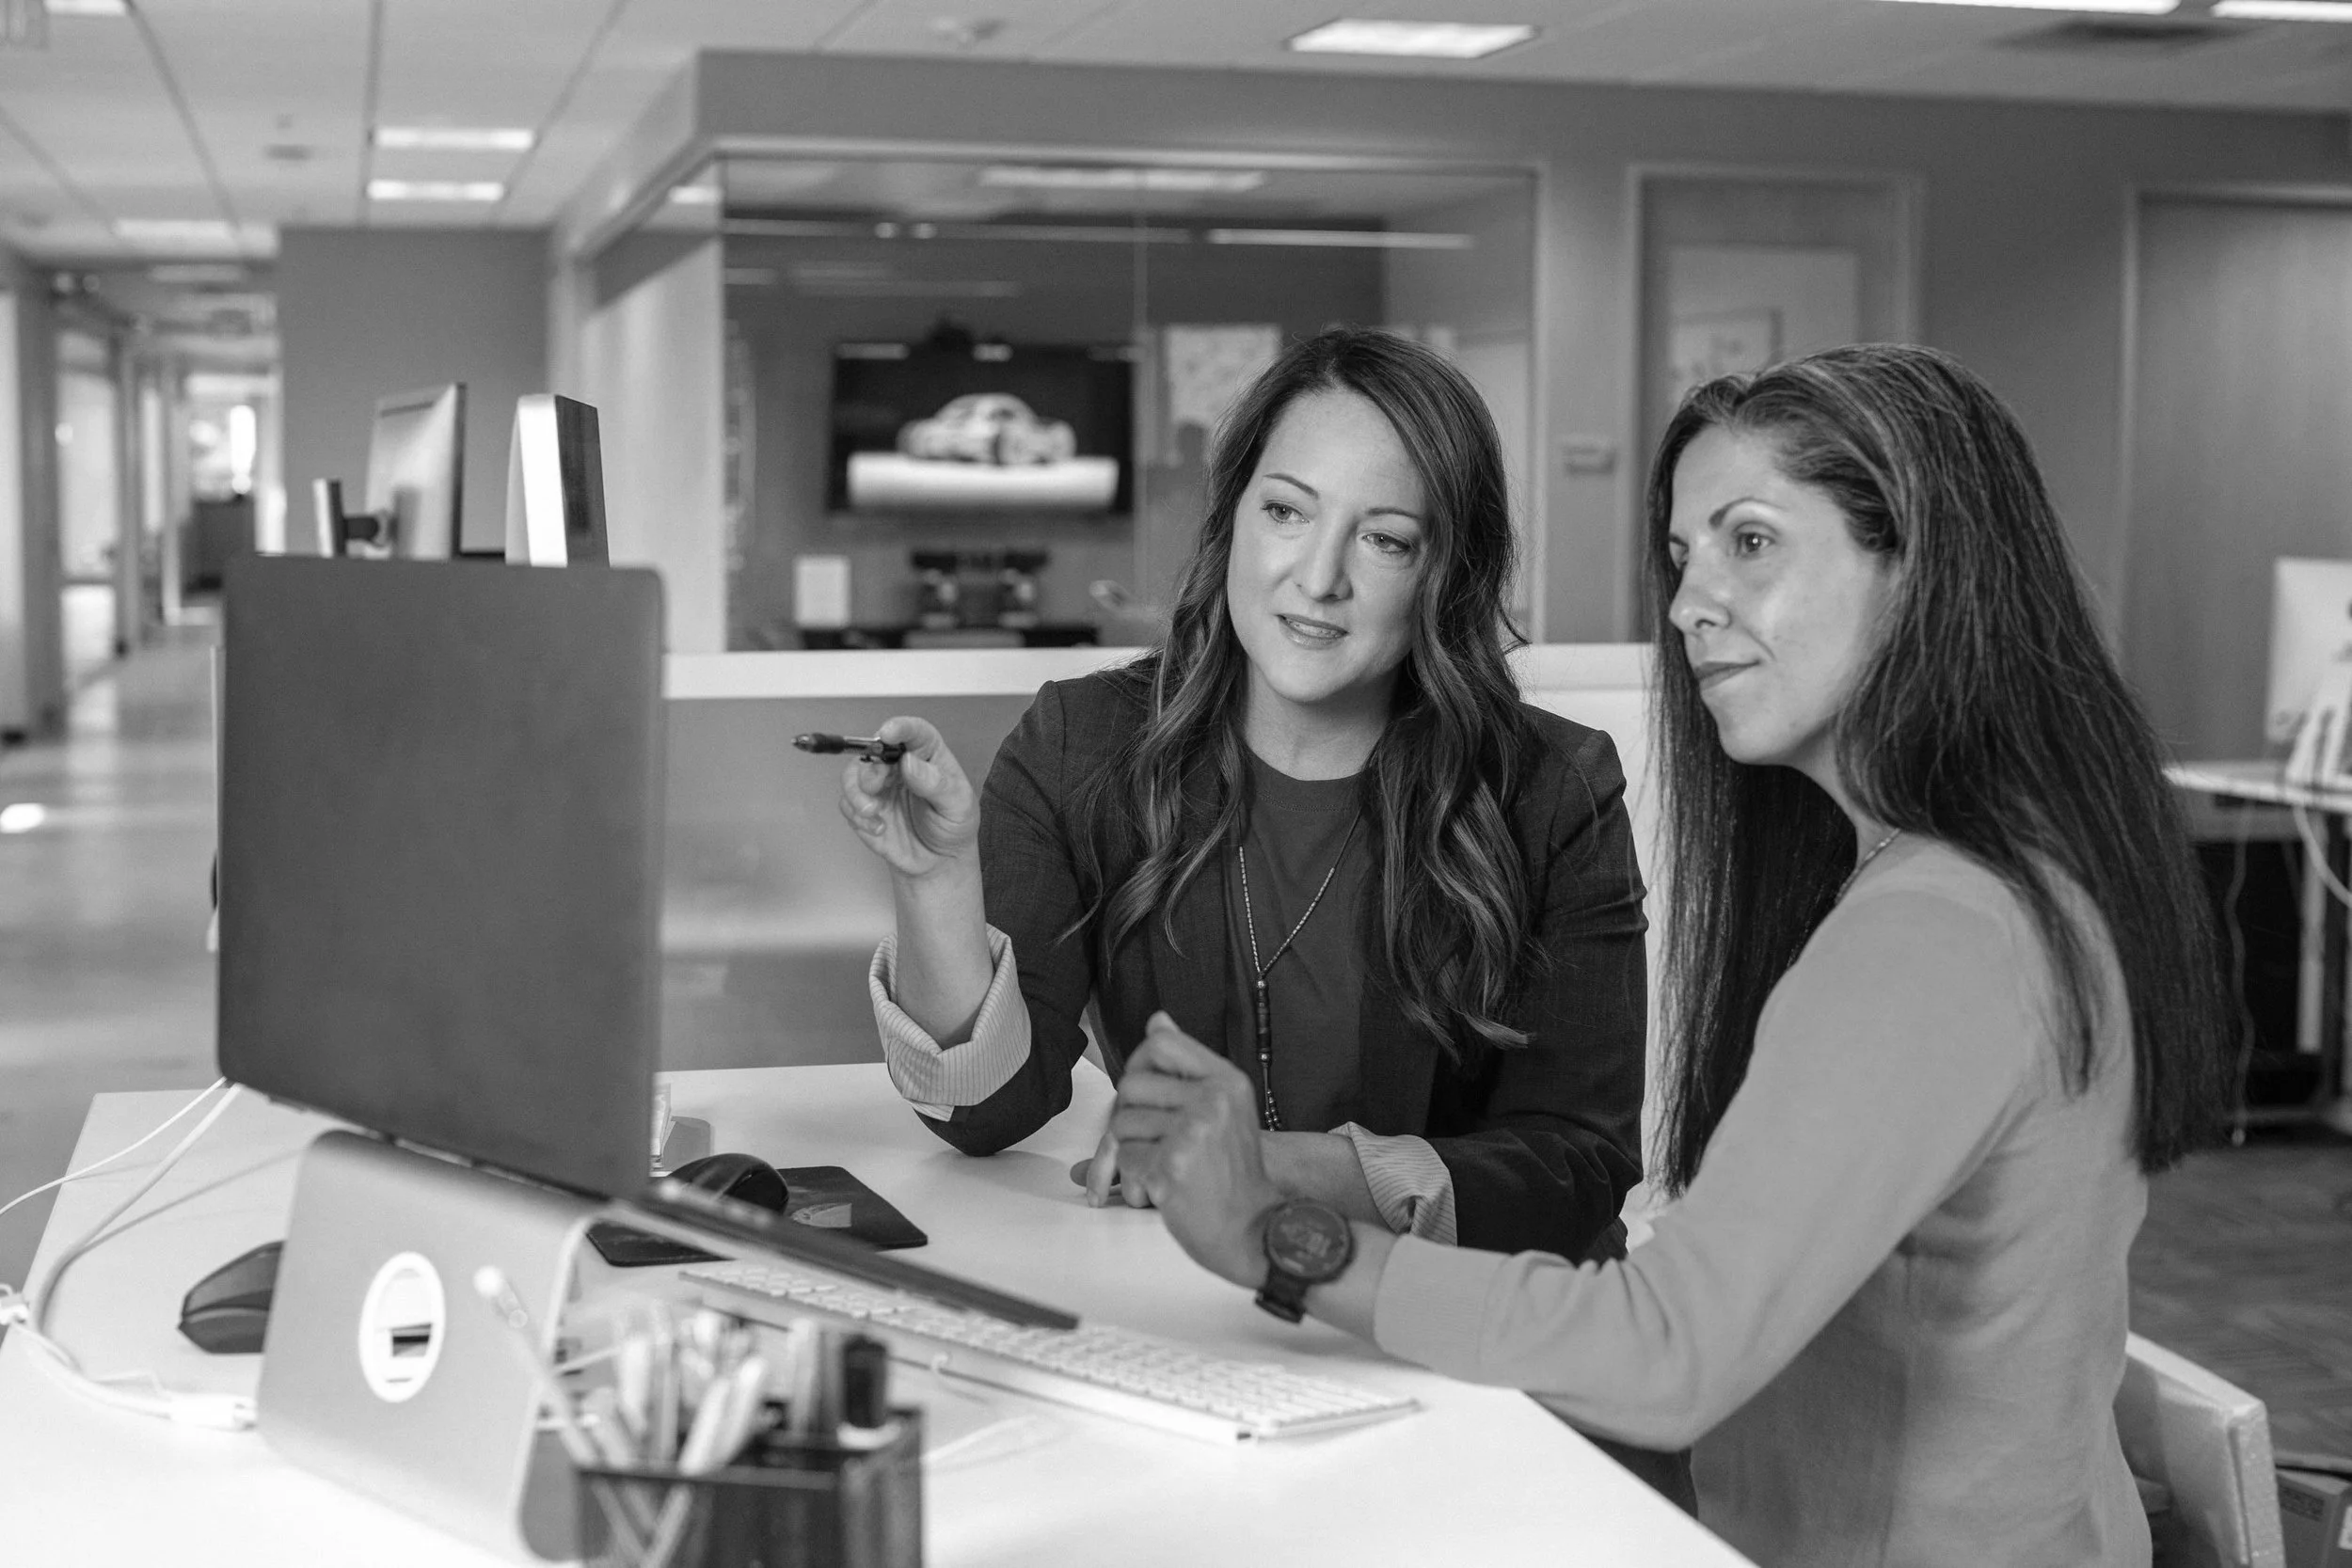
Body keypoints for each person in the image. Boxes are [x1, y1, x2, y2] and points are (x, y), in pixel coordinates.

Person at [1106, 343, 2233, 1568]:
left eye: (1751, 541)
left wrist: (1274, 1234)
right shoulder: (1998, 876)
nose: (1693, 601)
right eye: (1685, 556)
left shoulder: (1940, 931)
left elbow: (1669, 1354)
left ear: (1923, 565)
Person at [836, 325, 1648, 1268]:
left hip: (1460, 1326)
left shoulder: (1550, 789)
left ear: (1443, 573)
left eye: (1384, 538)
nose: (1318, 577)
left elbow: (1576, 1162)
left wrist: (1272, 1168)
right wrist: (938, 881)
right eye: (1288, 513)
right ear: (1233, 519)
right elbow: (986, 1110)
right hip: (1196, 1309)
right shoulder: (1084, 743)